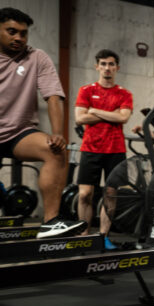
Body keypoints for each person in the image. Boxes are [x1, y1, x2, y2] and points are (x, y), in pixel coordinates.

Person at [0, 7, 86, 238]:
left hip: (19, 132)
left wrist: (58, 132)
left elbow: (53, 97)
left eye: (23, 33)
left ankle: (50, 222)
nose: (19, 37)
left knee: (55, 150)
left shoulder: (36, 57)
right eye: (11, 31)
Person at [74, 49, 132, 250]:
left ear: (117, 67)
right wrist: (111, 114)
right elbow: (80, 118)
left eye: (111, 64)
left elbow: (123, 117)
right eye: (103, 64)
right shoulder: (86, 91)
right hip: (91, 147)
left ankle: (103, 236)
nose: (107, 68)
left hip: (115, 149)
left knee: (111, 194)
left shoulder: (124, 94)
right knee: (84, 195)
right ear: (97, 66)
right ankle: (84, 235)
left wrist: (95, 110)